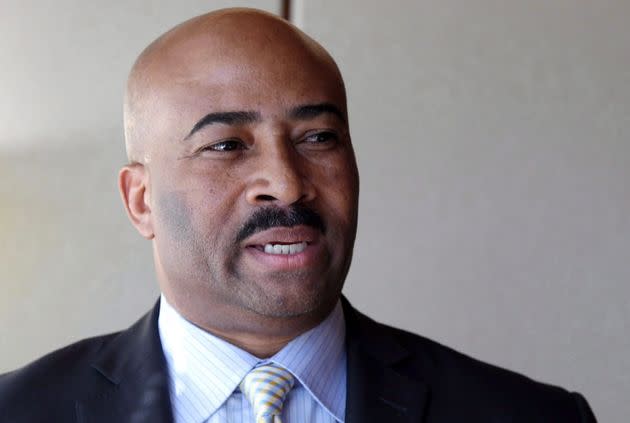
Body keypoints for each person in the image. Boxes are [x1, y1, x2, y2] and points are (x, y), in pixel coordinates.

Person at [0, 8, 597, 423]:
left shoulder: (528, 417)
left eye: (317, 138)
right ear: (141, 199)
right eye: (227, 145)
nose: (287, 184)